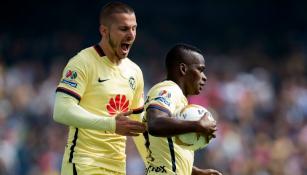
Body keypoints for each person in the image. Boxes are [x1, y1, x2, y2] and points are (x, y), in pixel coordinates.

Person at [53, 2, 146, 175]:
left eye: (134, 28)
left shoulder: (135, 72)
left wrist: (166, 166)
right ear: (104, 31)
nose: (131, 35)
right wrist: (110, 124)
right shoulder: (82, 63)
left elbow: (138, 128)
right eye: (124, 29)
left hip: (118, 167)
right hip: (83, 164)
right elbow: (61, 110)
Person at [139, 43, 222, 175]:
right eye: (200, 70)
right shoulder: (168, 90)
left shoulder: (179, 102)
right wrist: (197, 125)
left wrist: (194, 171)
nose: (204, 77)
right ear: (183, 69)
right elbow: (154, 123)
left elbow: (164, 148)